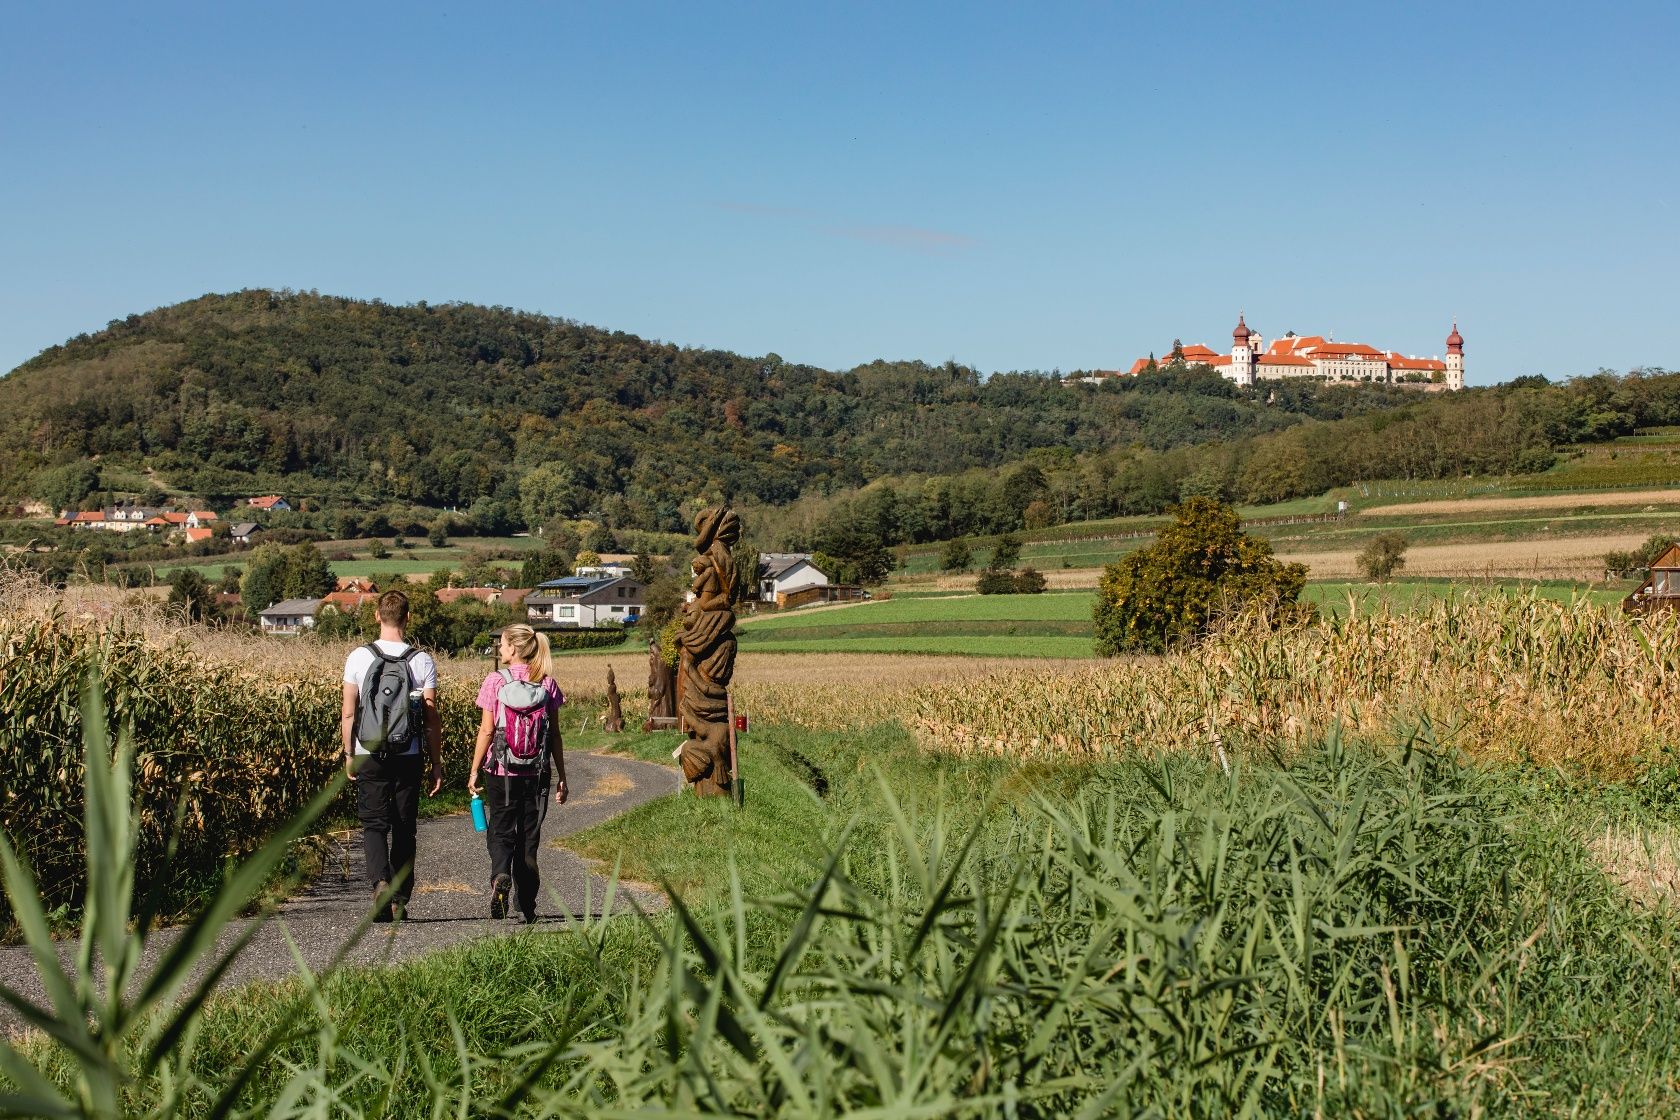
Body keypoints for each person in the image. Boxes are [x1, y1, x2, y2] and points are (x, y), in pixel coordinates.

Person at [341, 590, 443, 922]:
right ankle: (398, 899)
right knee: (404, 827)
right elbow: (430, 718)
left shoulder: (359, 657)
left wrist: (348, 753)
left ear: (377, 616)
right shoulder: (421, 660)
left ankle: (380, 882)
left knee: (373, 824)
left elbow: (348, 712)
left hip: (367, 751)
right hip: (407, 752)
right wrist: (436, 763)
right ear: (408, 617)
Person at [468, 624, 568, 923]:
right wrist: (562, 776)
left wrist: (474, 769)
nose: (500, 649)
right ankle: (526, 905)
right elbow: (555, 735)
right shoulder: (547, 683)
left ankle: (500, 874)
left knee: (500, 829)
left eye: (502, 644)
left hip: (501, 769)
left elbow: (487, 730)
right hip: (536, 772)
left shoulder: (495, 681)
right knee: (529, 838)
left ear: (512, 648)